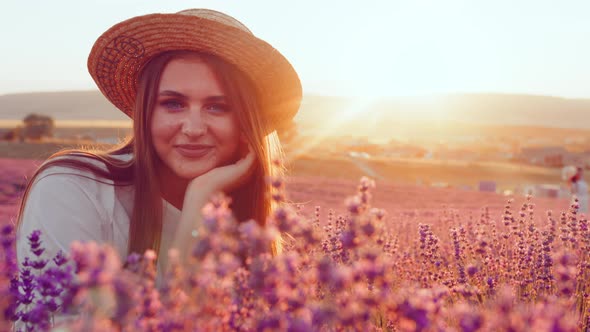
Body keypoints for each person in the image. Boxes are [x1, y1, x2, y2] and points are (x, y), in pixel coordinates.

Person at [15, 8, 302, 280]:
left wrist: (203, 200)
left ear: (245, 125)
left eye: (217, 107)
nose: (193, 128)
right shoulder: (74, 186)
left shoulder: (247, 224)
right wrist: (197, 210)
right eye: (173, 104)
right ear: (146, 112)